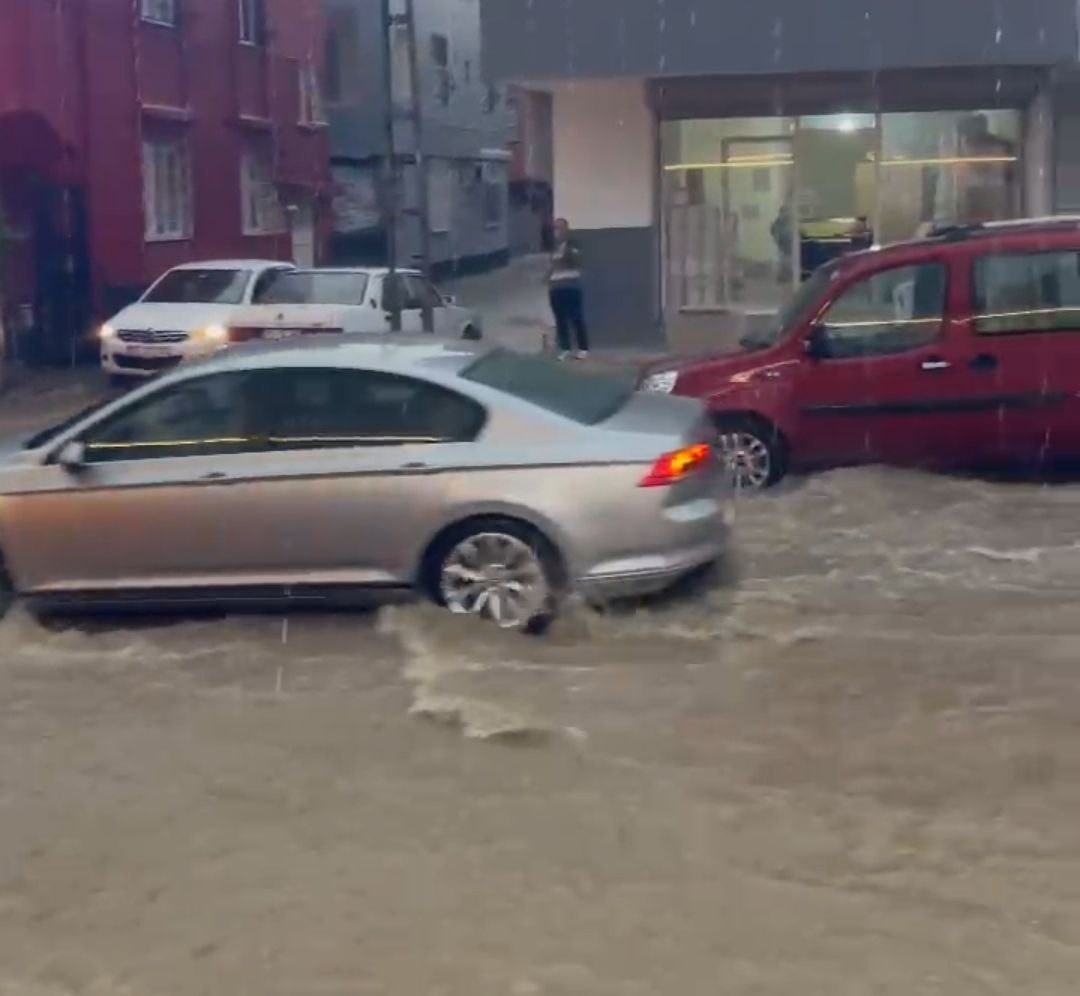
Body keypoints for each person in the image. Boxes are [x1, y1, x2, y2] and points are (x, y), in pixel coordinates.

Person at [547, 218, 589, 359]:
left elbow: (578, 260)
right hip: (556, 287)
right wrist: (547, 278)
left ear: (566, 229)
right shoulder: (554, 247)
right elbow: (552, 265)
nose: (557, 232)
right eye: (555, 229)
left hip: (571, 286)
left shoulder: (573, 244)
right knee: (560, 319)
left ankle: (583, 348)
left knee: (576, 317)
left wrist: (568, 250)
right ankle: (565, 348)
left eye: (559, 228)